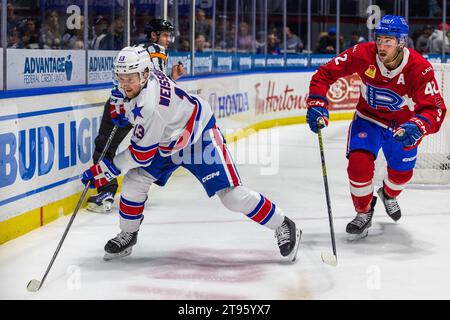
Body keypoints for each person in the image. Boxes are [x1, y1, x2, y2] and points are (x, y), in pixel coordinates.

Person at [81, 46, 301, 262]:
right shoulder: (147, 73)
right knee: (134, 182)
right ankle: (128, 234)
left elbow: (140, 155)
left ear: (145, 74)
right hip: (167, 140)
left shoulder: (151, 107)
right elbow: (156, 53)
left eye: (130, 78)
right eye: (121, 77)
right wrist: (121, 107)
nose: (125, 84)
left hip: (197, 136)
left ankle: (282, 223)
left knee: (232, 196)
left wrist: (104, 171)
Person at [306, 15, 447, 240]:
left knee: (400, 176)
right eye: (379, 39)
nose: (381, 46)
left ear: (401, 42)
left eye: (388, 41)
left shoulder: (420, 68)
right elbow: (324, 74)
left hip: (403, 128)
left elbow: (435, 110)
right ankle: (363, 212)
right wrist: (317, 102)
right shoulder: (362, 54)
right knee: (358, 165)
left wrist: (418, 126)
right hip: (368, 119)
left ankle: (388, 195)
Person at [86, 18, 184, 213]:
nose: (168, 39)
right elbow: (149, 81)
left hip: (130, 103)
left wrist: (171, 78)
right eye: (165, 34)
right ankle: (140, 183)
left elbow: (151, 82)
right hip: (130, 104)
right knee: (141, 145)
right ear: (153, 35)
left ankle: (107, 192)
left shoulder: (139, 49)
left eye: (169, 35)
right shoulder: (155, 49)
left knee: (107, 146)